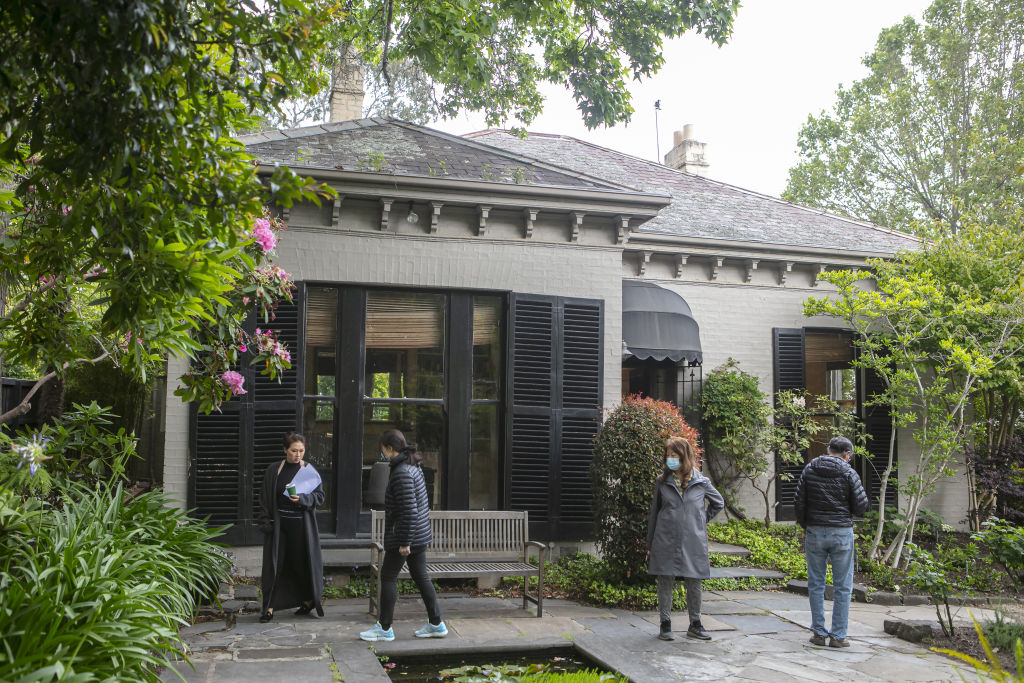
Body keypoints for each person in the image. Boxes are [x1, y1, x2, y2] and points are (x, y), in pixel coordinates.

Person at [360, 429, 447, 641]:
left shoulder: (401, 472)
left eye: (383, 450)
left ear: (389, 449)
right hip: (418, 535)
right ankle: (436, 624)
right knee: (421, 577)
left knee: (388, 577)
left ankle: (385, 628)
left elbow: (409, 510)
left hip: (406, 536)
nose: (382, 454)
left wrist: (404, 542)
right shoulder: (412, 466)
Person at [793, 435, 869, 648]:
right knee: (843, 586)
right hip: (841, 532)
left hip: (815, 531)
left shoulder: (810, 469)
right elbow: (861, 505)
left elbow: (799, 501)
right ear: (847, 454)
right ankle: (838, 636)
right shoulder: (849, 472)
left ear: (829, 450)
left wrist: (807, 525)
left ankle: (818, 633)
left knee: (816, 583)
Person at [647, 436, 724, 641]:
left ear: (685, 456)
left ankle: (695, 624)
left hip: (693, 541)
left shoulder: (702, 482)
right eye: (668, 456)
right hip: (665, 539)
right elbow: (654, 513)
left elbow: (718, 503)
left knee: (694, 580)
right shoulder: (662, 482)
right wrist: (649, 544)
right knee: (665, 580)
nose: (670, 459)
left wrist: (700, 520)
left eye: (675, 455)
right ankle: (665, 625)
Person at [257, 431, 325, 623]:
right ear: (285, 450)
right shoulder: (274, 470)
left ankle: (310, 599)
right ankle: (268, 607)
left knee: (301, 564)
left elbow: (319, 497)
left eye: (301, 451)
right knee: (274, 566)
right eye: (294, 450)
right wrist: (265, 522)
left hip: (302, 527)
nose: (298, 455)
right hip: (278, 526)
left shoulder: (309, 471)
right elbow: (263, 498)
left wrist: (302, 499)